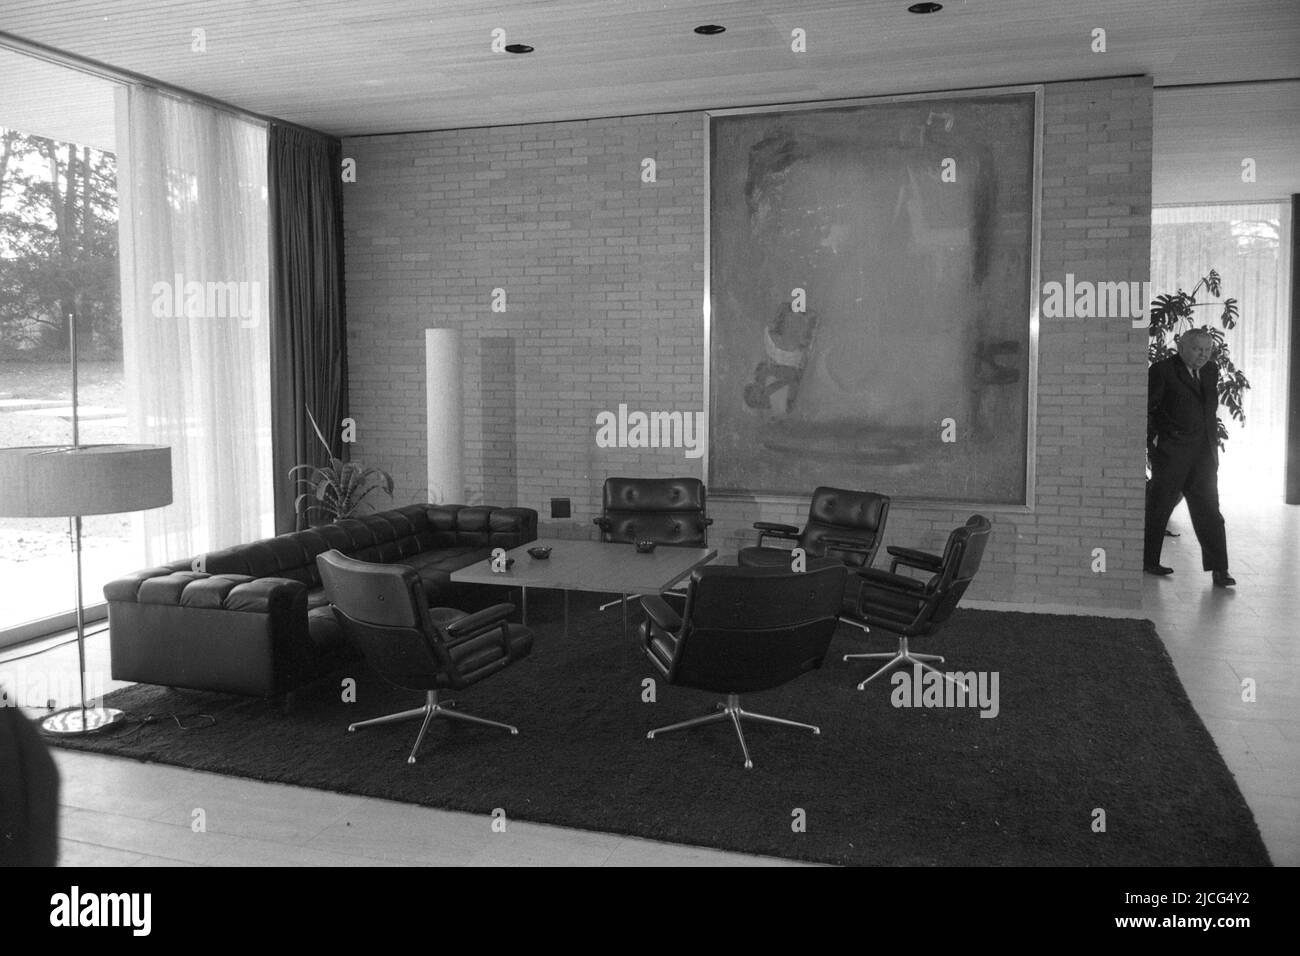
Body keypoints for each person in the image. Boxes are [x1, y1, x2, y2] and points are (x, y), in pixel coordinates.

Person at [1144, 329, 1235, 587]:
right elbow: (1148, 408)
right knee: (1159, 507)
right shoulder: (1163, 370)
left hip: (1203, 454)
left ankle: (1220, 569)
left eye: (1207, 350)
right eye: (1197, 349)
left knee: (1209, 510)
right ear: (1182, 346)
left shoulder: (1210, 371)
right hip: (1172, 453)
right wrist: (1155, 442)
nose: (1203, 355)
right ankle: (1149, 561)